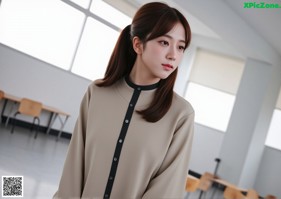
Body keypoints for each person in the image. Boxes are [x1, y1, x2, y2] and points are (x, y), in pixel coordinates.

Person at [53, 2, 194, 199]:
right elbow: (74, 167)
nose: (173, 55)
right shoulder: (97, 93)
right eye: (164, 42)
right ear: (138, 44)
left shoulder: (181, 114)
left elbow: (167, 188)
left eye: (181, 47)